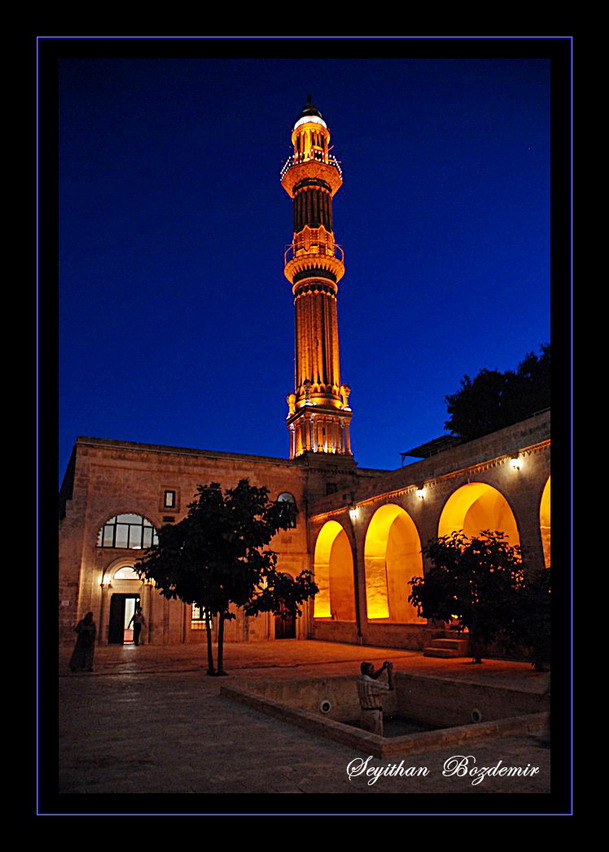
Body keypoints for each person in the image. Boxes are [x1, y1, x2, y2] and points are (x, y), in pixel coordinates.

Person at [357, 660, 394, 736]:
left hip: (364, 712)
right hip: (373, 714)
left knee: (365, 736)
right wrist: (390, 671)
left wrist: (383, 668)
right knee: (376, 737)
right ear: (369, 671)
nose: (374, 671)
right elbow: (390, 687)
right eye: (372, 669)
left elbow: (373, 677)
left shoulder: (360, 679)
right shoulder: (372, 683)